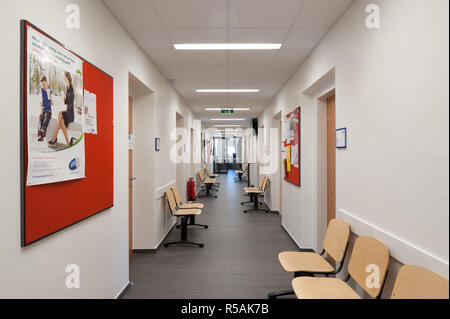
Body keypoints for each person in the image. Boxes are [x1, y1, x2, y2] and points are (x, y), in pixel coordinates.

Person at [48, 71, 75, 146]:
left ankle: (54, 137)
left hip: (70, 113)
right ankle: (68, 143)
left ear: (67, 77)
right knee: (62, 121)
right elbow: (66, 102)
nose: (64, 78)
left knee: (60, 113)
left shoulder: (71, 88)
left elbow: (71, 102)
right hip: (67, 111)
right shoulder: (67, 87)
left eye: (64, 77)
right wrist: (64, 99)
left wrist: (67, 99)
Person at [38, 75, 52, 142]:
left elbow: (51, 102)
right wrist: (41, 111)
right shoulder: (41, 90)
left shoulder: (49, 91)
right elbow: (41, 102)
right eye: (42, 85)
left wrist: (48, 93)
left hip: (48, 110)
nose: (43, 86)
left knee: (47, 116)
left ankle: (42, 131)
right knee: (41, 117)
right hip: (43, 109)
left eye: (44, 84)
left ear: (46, 83)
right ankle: (40, 135)